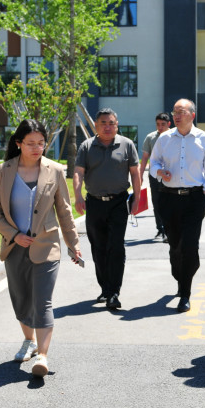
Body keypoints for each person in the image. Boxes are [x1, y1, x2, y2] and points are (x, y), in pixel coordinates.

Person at [0, 119, 81, 377]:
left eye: (41, 143)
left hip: (46, 246)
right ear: (18, 144)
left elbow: (64, 210)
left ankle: (43, 355)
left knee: (43, 301)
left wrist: (73, 244)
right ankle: (28, 340)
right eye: (30, 143)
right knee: (21, 299)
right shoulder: (4, 171)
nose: (37, 148)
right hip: (14, 247)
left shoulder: (54, 170)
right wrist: (13, 235)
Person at [149, 99, 205, 313]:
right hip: (168, 198)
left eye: (181, 111)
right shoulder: (164, 138)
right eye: (174, 112)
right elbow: (154, 164)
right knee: (175, 246)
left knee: (190, 246)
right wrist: (160, 172)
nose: (176, 115)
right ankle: (180, 274)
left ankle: (185, 293)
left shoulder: (203, 138)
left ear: (192, 115)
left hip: (194, 199)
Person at [73, 108, 141, 310]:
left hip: (119, 202)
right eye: (103, 123)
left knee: (116, 246)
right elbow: (78, 173)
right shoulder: (86, 146)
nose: (108, 126)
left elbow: (135, 173)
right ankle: (105, 287)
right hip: (94, 203)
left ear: (117, 125)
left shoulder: (126, 144)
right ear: (96, 125)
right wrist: (77, 196)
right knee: (98, 248)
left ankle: (114, 292)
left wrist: (137, 197)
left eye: (111, 123)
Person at [139, 112, 172, 243]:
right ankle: (160, 229)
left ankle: (169, 229)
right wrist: (140, 175)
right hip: (155, 176)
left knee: (169, 202)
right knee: (157, 202)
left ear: (168, 124)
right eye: (158, 124)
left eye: (163, 124)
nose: (160, 127)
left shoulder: (174, 136)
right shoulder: (150, 137)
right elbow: (145, 158)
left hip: (170, 175)